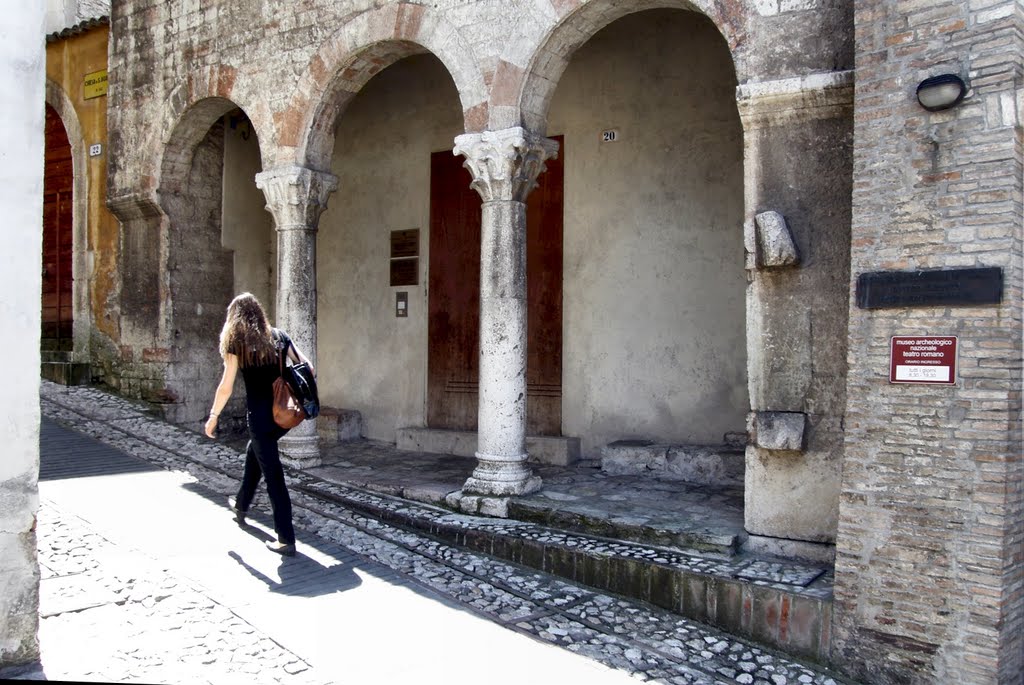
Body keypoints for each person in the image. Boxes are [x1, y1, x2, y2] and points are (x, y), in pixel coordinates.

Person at [204, 293, 315, 557]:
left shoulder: (236, 344)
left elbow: (226, 386)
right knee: (256, 451)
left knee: (274, 475)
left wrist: (213, 416)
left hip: (260, 418)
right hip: (284, 417)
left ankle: (285, 538)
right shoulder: (279, 336)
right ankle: (241, 504)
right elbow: (307, 367)